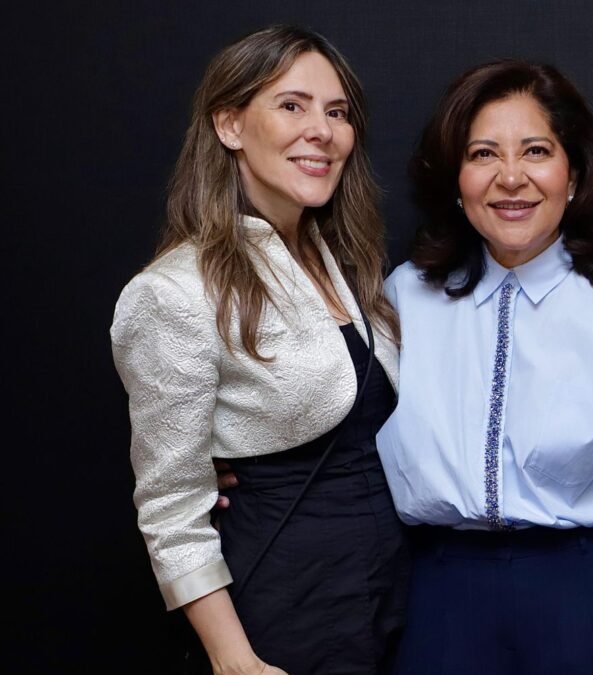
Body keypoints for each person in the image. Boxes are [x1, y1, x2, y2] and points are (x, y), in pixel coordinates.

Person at [110, 25, 408, 675]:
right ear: (229, 125)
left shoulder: (349, 263)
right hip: (281, 610)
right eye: (292, 104)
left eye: (337, 112)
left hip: (385, 596)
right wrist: (233, 658)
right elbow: (170, 507)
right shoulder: (172, 292)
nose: (322, 130)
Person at [373, 60, 593, 675]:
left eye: (536, 150)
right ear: (456, 178)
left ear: (573, 174)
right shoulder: (399, 301)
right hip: (438, 596)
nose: (511, 178)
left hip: (581, 597)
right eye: (483, 154)